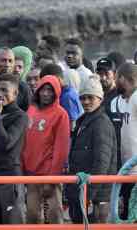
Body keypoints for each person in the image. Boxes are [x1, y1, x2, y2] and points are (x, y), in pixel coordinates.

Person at [66, 75, 117, 223]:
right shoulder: (84, 121)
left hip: (94, 196)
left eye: (90, 97)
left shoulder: (101, 123)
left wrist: (88, 196)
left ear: (100, 99)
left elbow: (102, 163)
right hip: (83, 191)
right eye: (82, 98)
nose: (86, 102)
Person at [21, 75, 70, 224]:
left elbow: (61, 149)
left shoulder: (61, 114)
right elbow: (24, 141)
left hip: (49, 173)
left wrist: (52, 178)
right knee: (32, 215)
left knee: (54, 215)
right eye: (43, 89)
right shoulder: (30, 110)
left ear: (56, 93)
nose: (46, 93)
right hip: (31, 173)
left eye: (50, 90)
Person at [0, 73, 28, 224]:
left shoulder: (20, 116)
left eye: (4, 90)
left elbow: (7, 143)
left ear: (15, 93)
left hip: (10, 177)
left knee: (12, 224)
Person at [115, 63, 137, 219]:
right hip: (127, 169)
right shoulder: (125, 100)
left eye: (117, 78)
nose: (116, 82)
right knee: (127, 216)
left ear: (124, 78)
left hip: (135, 170)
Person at [40, 64, 83, 130]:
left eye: (48, 83)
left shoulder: (68, 96)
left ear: (58, 79)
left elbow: (72, 125)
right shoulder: (62, 92)